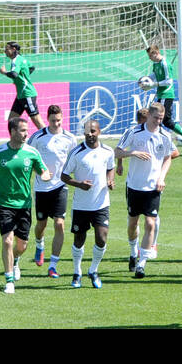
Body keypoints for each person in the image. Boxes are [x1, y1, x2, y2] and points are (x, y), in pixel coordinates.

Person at [0, 115, 50, 294]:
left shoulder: (32, 153)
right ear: (12, 132)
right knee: (8, 241)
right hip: (3, 204)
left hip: (24, 205)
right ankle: (9, 280)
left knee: (22, 246)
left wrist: (46, 175)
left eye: (27, 130)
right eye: (23, 130)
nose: (27, 134)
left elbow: (43, 169)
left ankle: (15, 260)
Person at [115, 102, 176, 279]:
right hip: (134, 185)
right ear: (148, 115)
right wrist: (132, 153)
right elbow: (117, 152)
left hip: (153, 187)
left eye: (161, 118)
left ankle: (142, 263)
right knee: (133, 224)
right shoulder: (134, 132)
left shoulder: (165, 135)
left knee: (150, 223)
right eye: (156, 117)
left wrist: (161, 177)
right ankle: (133, 251)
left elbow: (168, 158)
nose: (158, 121)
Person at [60, 118, 116, 288]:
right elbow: (64, 176)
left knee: (102, 237)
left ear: (99, 131)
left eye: (93, 131)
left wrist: (110, 180)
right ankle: (77, 272)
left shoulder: (108, 151)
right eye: (87, 131)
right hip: (81, 205)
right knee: (79, 240)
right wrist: (79, 184)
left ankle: (93, 270)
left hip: (101, 204)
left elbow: (110, 167)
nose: (89, 134)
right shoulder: (76, 153)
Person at [26, 105, 80, 278]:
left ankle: (53, 265)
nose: (56, 124)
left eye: (58, 120)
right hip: (42, 187)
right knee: (41, 224)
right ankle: (39, 244)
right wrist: (40, 172)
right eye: (52, 120)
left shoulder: (70, 138)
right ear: (47, 119)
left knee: (59, 223)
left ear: (62, 118)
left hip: (60, 186)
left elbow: (75, 160)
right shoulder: (38, 137)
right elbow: (27, 157)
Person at [147, 45, 182, 146]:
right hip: (161, 94)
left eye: (150, 56)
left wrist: (154, 84)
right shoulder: (156, 63)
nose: (150, 58)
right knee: (166, 121)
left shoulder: (165, 64)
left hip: (166, 94)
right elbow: (154, 74)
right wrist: (147, 79)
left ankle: (162, 140)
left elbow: (169, 81)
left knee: (160, 118)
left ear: (156, 53)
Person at [0, 40, 43, 131]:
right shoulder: (22, 59)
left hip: (27, 94)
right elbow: (32, 67)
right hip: (20, 95)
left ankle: (49, 138)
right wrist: (23, 78)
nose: (5, 51)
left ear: (13, 49)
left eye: (7, 49)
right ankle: (16, 140)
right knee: (12, 120)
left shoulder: (16, 60)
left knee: (37, 120)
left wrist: (4, 72)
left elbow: (14, 74)